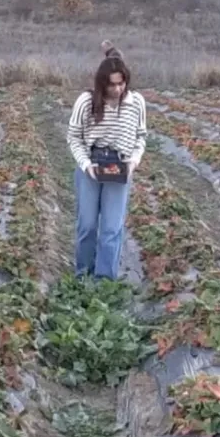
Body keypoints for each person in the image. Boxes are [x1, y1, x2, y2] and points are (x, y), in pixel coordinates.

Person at [66, 55, 147, 281]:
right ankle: (83, 275)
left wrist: (134, 161)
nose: (117, 89)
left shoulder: (136, 102)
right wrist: (86, 165)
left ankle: (104, 281)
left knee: (112, 228)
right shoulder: (86, 102)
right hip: (92, 165)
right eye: (112, 84)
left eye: (121, 83)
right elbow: (74, 137)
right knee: (88, 225)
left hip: (120, 166)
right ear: (102, 83)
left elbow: (141, 136)